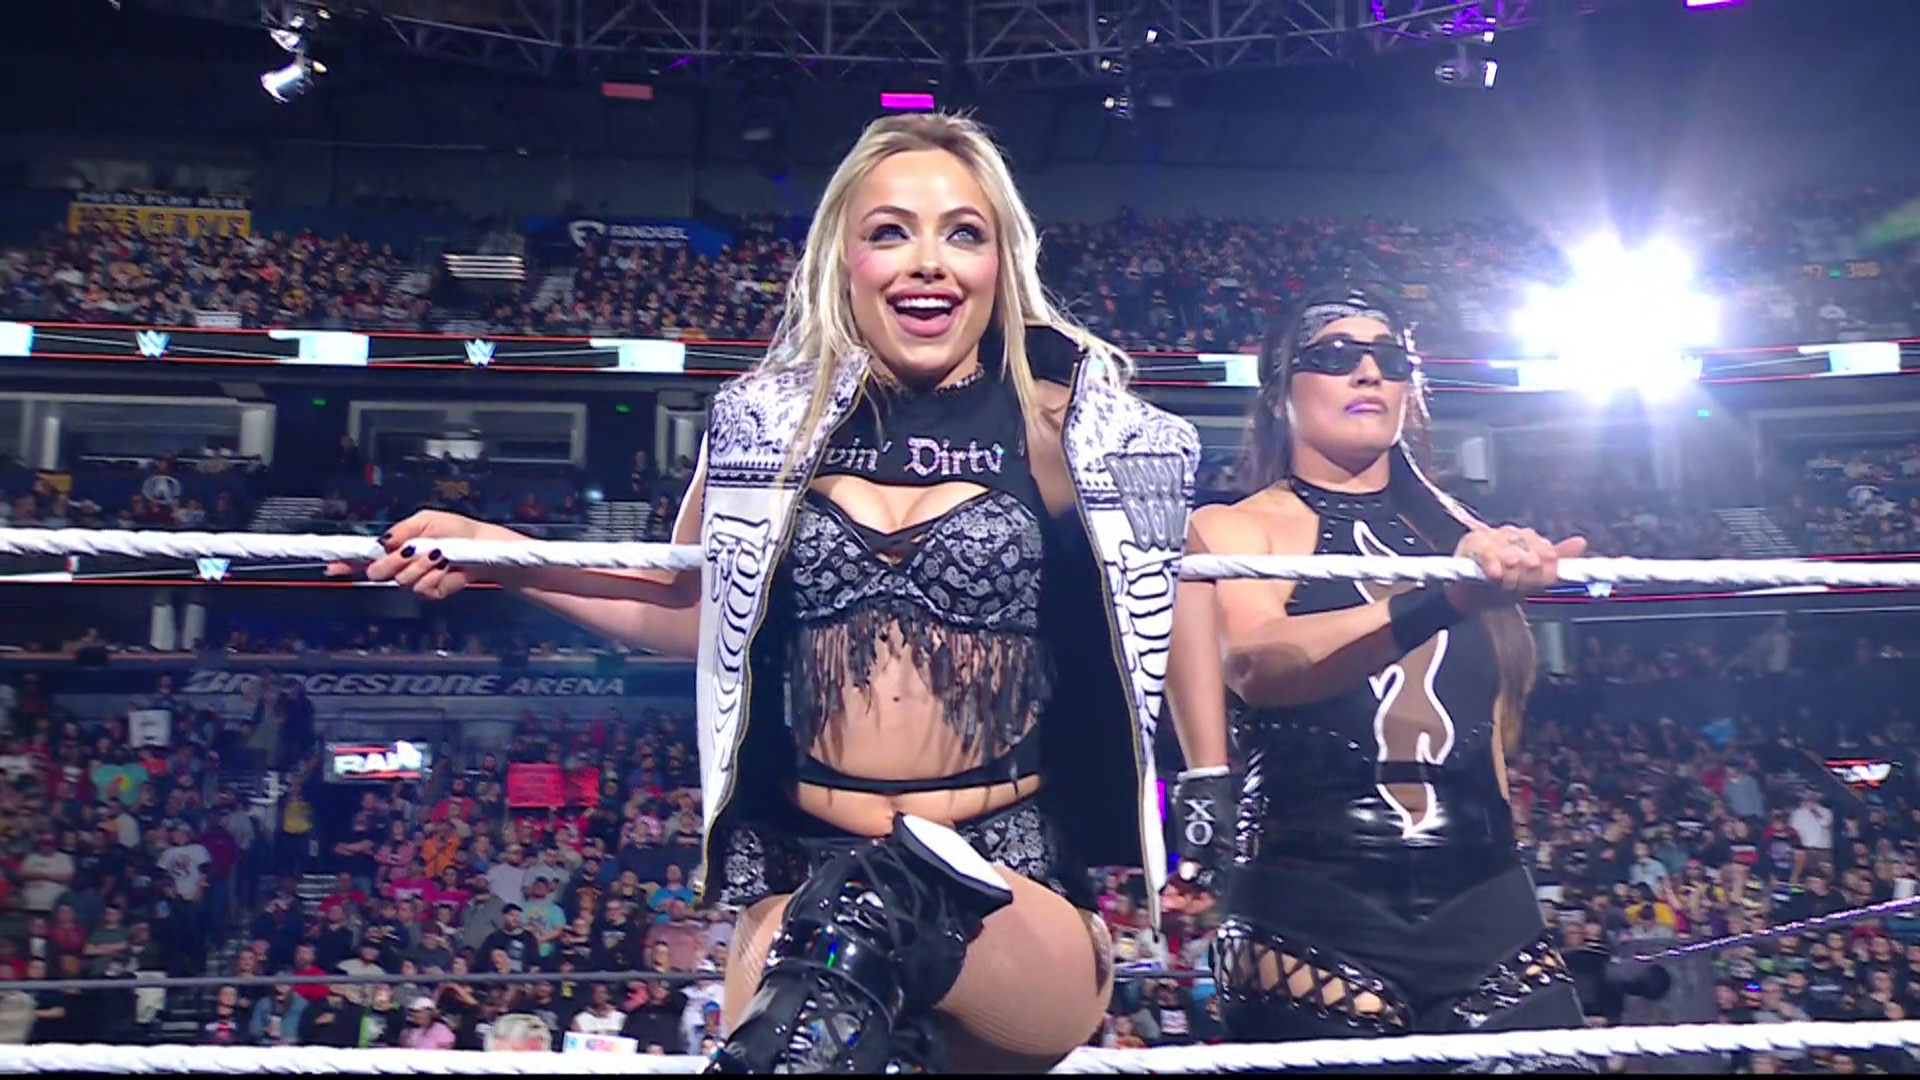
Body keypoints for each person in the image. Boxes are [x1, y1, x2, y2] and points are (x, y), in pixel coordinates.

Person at [332, 112, 1200, 1073]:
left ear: (1000, 261)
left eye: (963, 232)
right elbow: (690, 610)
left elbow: (1175, 594)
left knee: (851, 946)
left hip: (1007, 885)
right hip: (804, 870)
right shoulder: (767, 422)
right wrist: (505, 554)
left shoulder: (1074, 428)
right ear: (844, 257)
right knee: (812, 982)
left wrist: (1206, 785)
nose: (929, 262)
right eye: (890, 232)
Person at [1164, 285, 1593, 1059]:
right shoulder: (1234, 528)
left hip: (1488, 904)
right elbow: (1259, 663)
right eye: (1336, 355)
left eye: (1388, 359)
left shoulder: (1469, 540)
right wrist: (1442, 598)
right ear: (1281, 389)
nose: (1368, 373)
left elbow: (1493, 729)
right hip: (1312, 907)